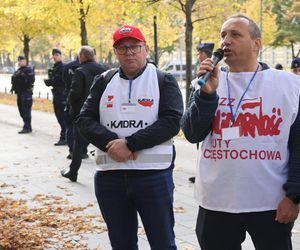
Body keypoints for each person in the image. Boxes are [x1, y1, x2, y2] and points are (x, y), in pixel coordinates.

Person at [181, 14, 300, 250]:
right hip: (217, 202)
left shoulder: (290, 85)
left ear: (257, 43)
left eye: (235, 34)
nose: (226, 41)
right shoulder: (208, 82)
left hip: (270, 203)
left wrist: (295, 196)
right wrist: (206, 96)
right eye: (223, 35)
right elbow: (192, 133)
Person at [76, 25, 183, 249]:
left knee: (163, 242)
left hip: (153, 178)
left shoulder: (164, 80)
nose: (129, 52)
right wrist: (112, 143)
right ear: (115, 52)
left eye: (135, 46)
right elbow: (84, 120)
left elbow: (172, 121)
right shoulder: (104, 80)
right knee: (121, 244)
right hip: (111, 178)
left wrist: (130, 143)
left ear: (145, 48)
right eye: (122, 47)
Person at [61, 46, 108, 182]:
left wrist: (69, 102)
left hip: (84, 113)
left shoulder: (80, 71)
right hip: (102, 111)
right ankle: (108, 170)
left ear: (82, 56)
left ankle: (73, 171)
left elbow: (75, 92)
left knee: (78, 144)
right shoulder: (104, 69)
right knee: (103, 141)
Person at [188, 42, 214, 184]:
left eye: (199, 53)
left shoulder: (213, 69)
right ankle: (199, 172)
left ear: (204, 53)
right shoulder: (203, 69)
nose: (198, 56)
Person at [44, 48, 67, 146]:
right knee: (58, 115)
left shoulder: (63, 67)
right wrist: (49, 82)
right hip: (56, 94)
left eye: (57, 55)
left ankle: (64, 137)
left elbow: (63, 81)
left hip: (61, 94)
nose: (55, 57)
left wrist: (52, 81)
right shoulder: (54, 67)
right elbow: (53, 80)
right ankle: (64, 135)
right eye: (54, 55)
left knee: (62, 116)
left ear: (60, 56)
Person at [11, 56, 35, 134]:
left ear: (25, 61)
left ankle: (27, 127)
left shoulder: (29, 70)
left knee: (26, 111)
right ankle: (27, 126)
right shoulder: (18, 70)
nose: (20, 62)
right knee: (21, 111)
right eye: (19, 61)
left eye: (22, 60)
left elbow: (31, 81)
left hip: (26, 93)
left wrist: (24, 76)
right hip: (20, 93)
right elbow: (14, 81)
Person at [62, 56, 80, 158]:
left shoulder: (68, 66)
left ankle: (72, 151)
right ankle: (82, 151)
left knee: (70, 126)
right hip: (86, 101)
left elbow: (64, 80)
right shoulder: (97, 67)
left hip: (71, 99)